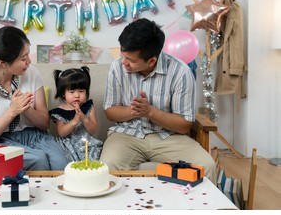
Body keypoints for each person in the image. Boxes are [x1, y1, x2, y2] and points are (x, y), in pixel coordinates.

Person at [100, 18, 217, 183]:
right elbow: (110, 111)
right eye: (122, 54)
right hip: (127, 135)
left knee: (207, 166)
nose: (124, 63)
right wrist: (133, 111)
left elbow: (184, 125)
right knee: (107, 166)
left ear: (152, 61)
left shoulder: (180, 72)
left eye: (131, 60)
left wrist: (150, 112)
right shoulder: (117, 67)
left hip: (169, 136)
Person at [0, 26, 68, 171]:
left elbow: (45, 124)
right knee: (38, 160)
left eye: (28, 55)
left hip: (35, 136)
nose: (29, 61)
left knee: (60, 161)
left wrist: (25, 109)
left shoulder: (31, 73)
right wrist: (12, 111)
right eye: (23, 58)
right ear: (3, 63)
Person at [49, 66, 103, 162]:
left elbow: (94, 129)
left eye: (81, 91)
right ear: (63, 93)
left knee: (92, 163)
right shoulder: (59, 112)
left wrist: (83, 117)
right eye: (72, 92)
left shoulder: (89, 107)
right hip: (68, 146)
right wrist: (74, 121)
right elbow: (61, 133)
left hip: (88, 144)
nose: (77, 95)